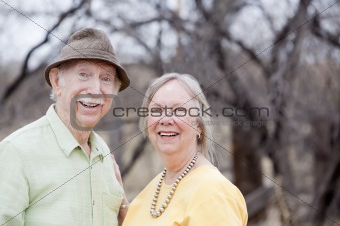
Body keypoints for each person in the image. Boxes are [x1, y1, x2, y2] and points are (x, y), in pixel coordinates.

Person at [0, 28, 130, 226]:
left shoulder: (104, 154)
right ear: (56, 81)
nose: (95, 90)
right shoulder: (16, 152)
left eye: (106, 79)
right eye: (84, 74)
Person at [122, 73, 248, 225]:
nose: (166, 119)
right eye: (156, 111)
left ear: (199, 126)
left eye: (179, 110)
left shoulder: (214, 193)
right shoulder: (154, 187)